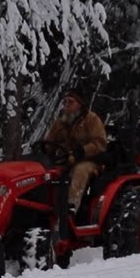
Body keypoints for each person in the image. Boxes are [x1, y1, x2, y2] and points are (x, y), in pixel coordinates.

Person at [44, 88, 108, 218]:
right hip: (67, 158)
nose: (66, 105)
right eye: (65, 102)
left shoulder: (91, 119)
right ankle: (47, 205)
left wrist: (83, 150)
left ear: (79, 104)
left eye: (70, 102)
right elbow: (50, 141)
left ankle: (70, 207)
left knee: (79, 170)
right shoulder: (60, 122)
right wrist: (43, 150)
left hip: (89, 160)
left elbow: (100, 144)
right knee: (48, 173)